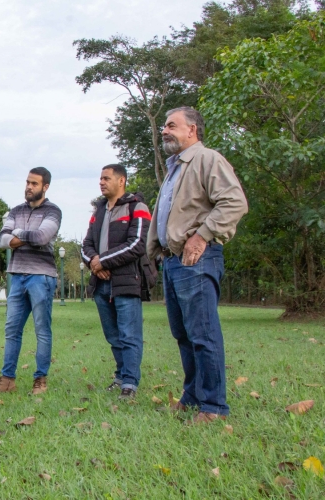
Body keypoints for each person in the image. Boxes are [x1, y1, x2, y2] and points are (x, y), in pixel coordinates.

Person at [147, 106, 248, 424]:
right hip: (173, 261)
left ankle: (213, 407)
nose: (164, 130)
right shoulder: (175, 168)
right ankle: (191, 397)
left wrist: (201, 236)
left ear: (192, 130)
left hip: (198, 259)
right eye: (164, 126)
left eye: (171, 125)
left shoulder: (207, 159)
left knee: (203, 333)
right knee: (184, 334)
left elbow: (234, 202)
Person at [0, 167, 61, 395]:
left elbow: (42, 237)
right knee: (12, 329)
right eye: (28, 182)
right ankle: (7, 380)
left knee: (42, 330)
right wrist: (26, 235)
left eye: (34, 183)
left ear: (45, 186)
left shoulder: (53, 211)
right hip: (17, 276)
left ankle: (40, 380)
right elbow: (2, 240)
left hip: (41, 276)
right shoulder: (16, 210)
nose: (29, 187)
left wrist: (18, 233)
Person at [82, 164, 151, 400]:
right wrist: (94, 263)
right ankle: (121, 377)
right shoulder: (99, 211)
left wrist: (103, 262)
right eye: (100, 178)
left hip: (126, 282)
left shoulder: (137, 207)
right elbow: (86, 245)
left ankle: (130, 382)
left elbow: (137, 244)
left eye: (106, 178)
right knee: (113, 336)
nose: (101, 182)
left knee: (129, 335)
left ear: (121, 181)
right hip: (101, 284)